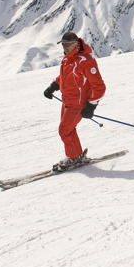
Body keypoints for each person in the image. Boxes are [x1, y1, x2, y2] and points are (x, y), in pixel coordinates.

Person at [42, 31, 106, 168]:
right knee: (69, 130)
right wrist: (53, 86)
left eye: (67, 45)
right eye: (63, 45)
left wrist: (91, 105)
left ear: (76, 44)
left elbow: (99, 86)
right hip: (67, 101)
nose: (64, 48)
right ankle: (75, 155)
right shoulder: (68, 59)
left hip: (78, 104)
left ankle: (73, 157)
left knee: (64, 130)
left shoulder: (86, 61)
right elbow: (65, 77)